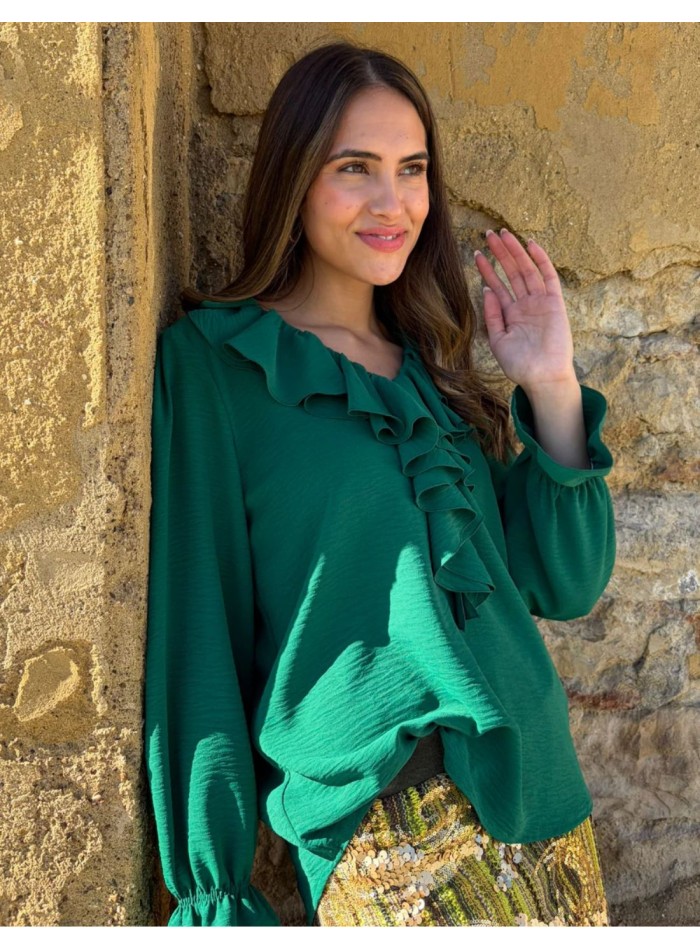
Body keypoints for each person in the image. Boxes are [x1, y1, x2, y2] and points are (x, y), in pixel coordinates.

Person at [144, 40, 615, 927]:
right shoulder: (215, 369)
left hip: (545, 802)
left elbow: (564, 583)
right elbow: (194, 633)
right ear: (294, 177)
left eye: (412, 169)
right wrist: (214, 889)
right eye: (354, 168)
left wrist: (550, 387)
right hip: (382, 832)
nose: (392, 202)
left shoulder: (432, 375)